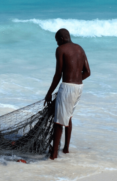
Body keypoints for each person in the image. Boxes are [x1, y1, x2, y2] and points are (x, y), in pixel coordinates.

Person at [44, 28, 91, 160]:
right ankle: (66, 149)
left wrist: (49, 93)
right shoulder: (80, 49)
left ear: (62, 38)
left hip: (67, 87)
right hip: (79, 87)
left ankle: (53, 155)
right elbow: (87, 72)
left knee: (58, 121)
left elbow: (58, 74)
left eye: (57, 41)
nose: (57, 44)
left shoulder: (61, 49)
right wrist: (76, 81)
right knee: (68, 117)